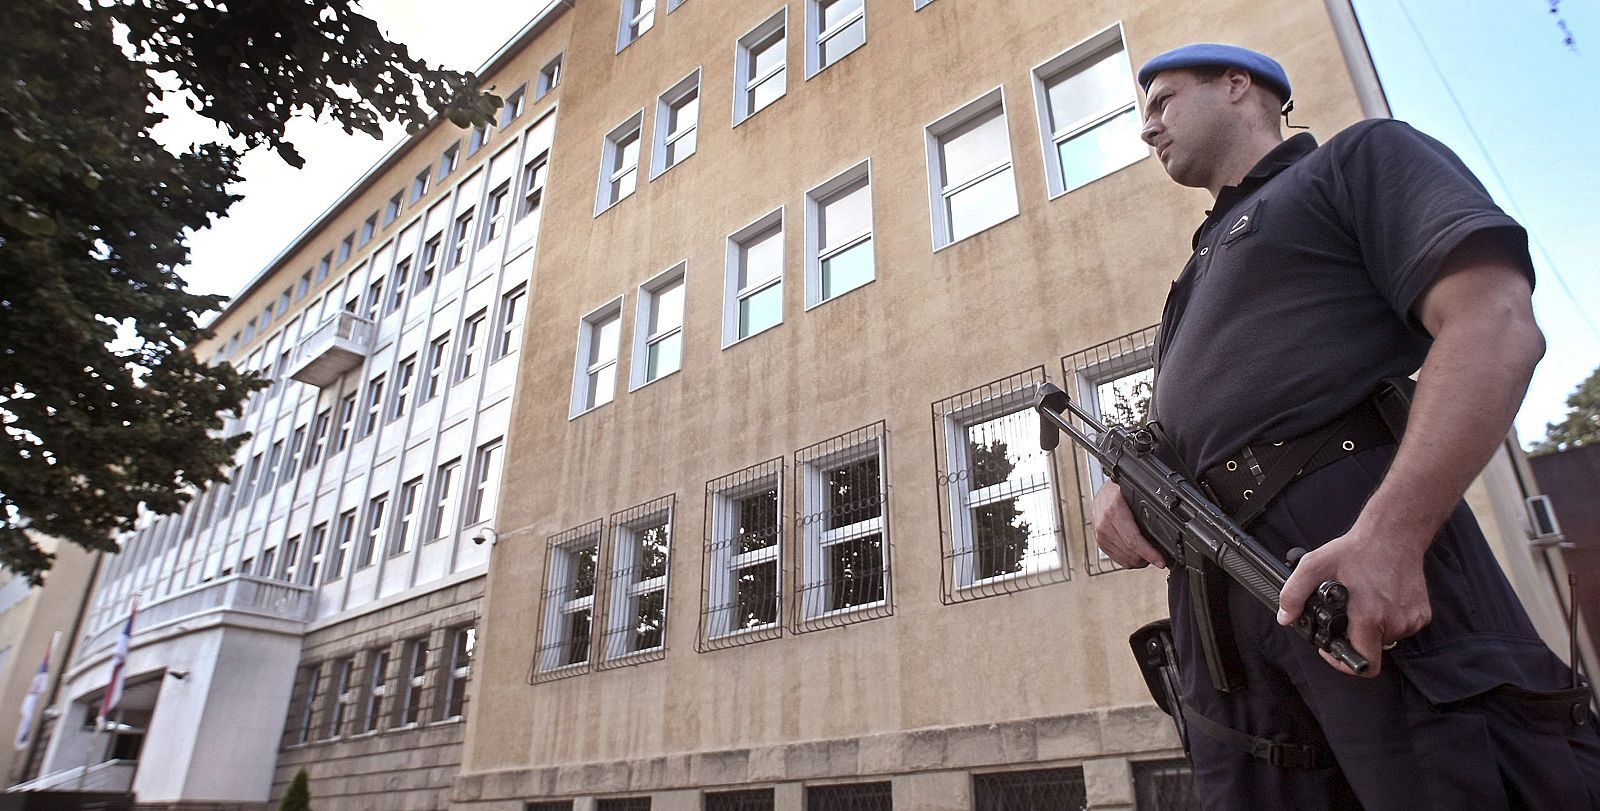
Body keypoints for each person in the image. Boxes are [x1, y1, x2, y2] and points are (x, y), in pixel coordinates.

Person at [1092, 43, 1600, 809]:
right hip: (1223, 619)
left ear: (1238, 86)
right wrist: (1122, 487)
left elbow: (1494, 320)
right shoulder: (1192, 275)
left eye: (1162, 102)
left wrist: (1392, 534)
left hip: (1351, 559)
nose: (1147, 128)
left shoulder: (1353, 160)